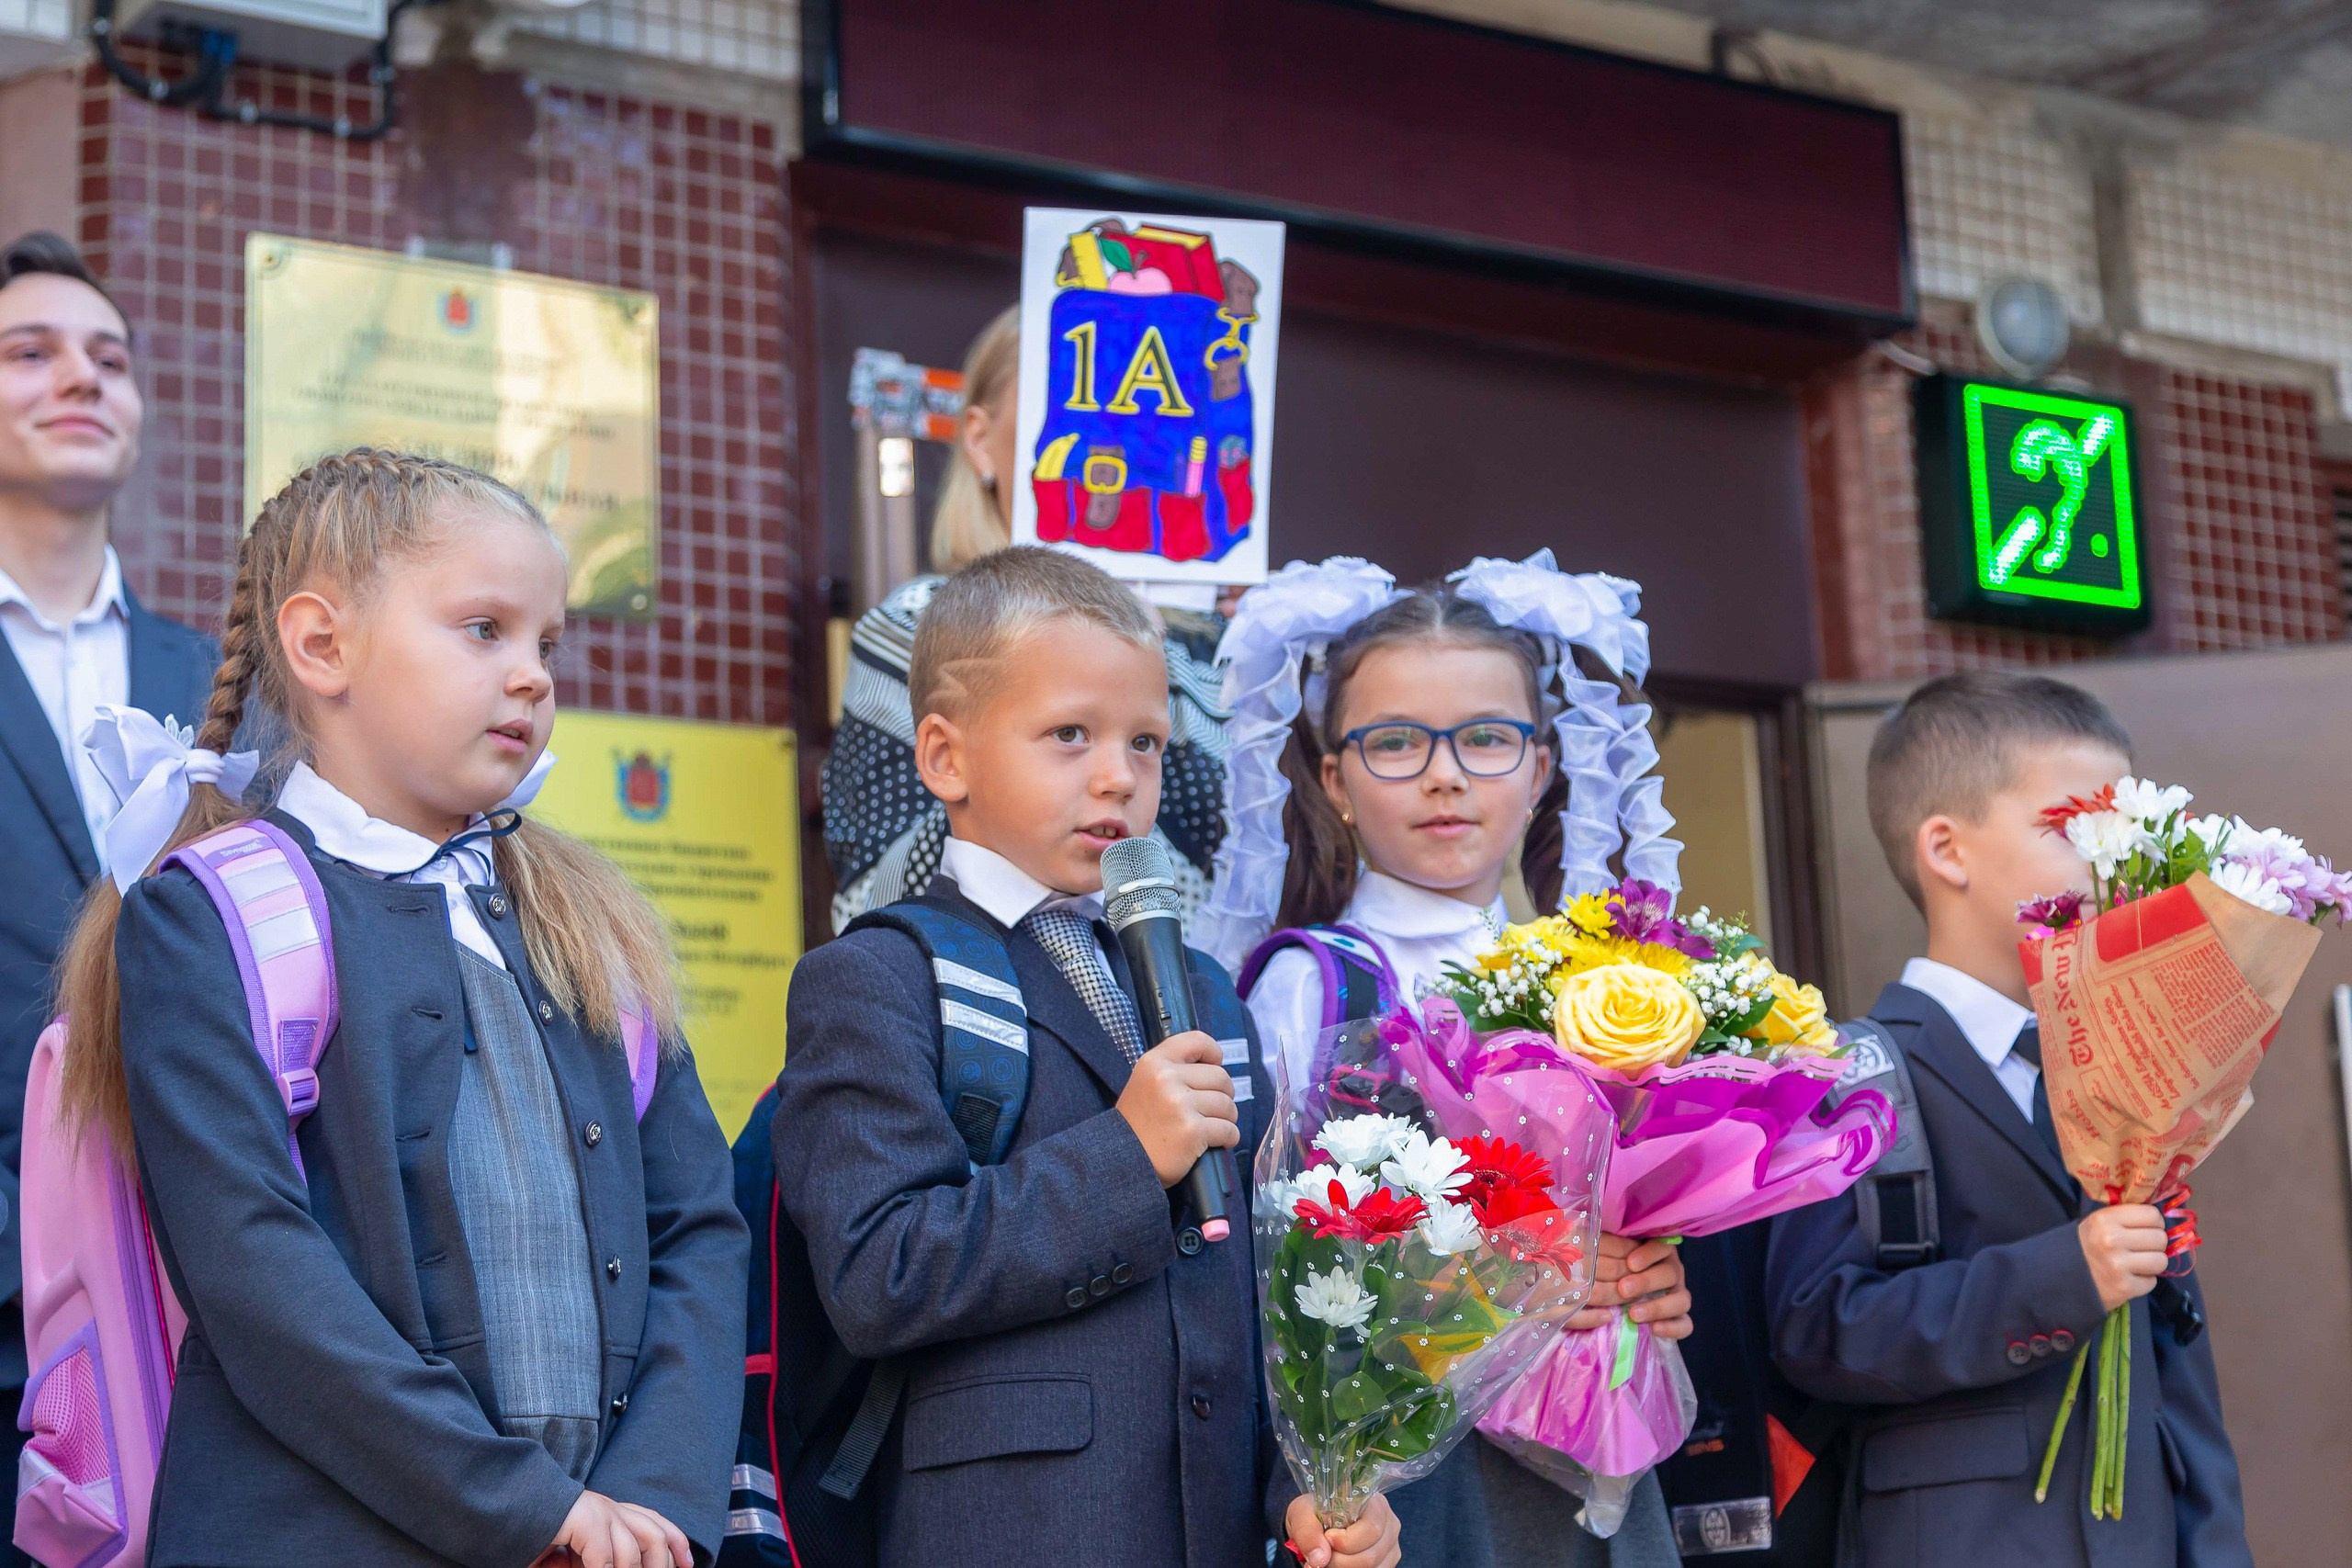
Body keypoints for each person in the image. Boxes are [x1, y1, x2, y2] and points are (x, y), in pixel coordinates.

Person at [54, 450, 749, 1566]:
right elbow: (256, 1271)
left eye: (546, 644)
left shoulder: (587, 924)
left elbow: (697, 1227)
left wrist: (649, 1500)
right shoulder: (209, 915)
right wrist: (528, 1510)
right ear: (321, 643)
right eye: (484, 630)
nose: (531, 675)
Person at [775, 546, 1401, 1568]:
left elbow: (1254, 1284)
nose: (1118, 774)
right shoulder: (877, 977)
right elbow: (878, 1273)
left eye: (1147, 743)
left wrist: (1311, 1485)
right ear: (944, 757)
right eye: (1069, 733)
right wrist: (1125, 1154)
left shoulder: (1198, 987)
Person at [1215, 560, 1691, 1568]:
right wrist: (1542, 1271)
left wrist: (1647, 1275)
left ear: (1543, 765)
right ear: (1334, 780)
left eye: (1485, 738)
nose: (1444, 774)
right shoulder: (1313, 985)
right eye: (1394, 743)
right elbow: (1265, 1280)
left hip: (1599, 1453)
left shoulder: (1598, 978)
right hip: (1407, 1483)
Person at [1766, 671, 2250, 1567]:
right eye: (2074, 826)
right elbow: (1822, 1329)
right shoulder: (1847, 1069)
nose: (2114, 860)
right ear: (1947, 849)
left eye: (2127, 831)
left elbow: (2175, 1370)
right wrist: (2065, 1274)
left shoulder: (2125, 1070)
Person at [0, 229, 216, 1544]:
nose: (82, 378)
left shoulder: (219, 685)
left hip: (186, 1289)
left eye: (111, 358)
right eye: (30, 352)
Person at [822, 305, 1231, 931]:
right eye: (1073, 401)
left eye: (1143, 410)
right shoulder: (910, 626)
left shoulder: (1221, 652)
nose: (1109, 435)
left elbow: (1254, 902)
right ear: (981, 439)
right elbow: (864, 905)